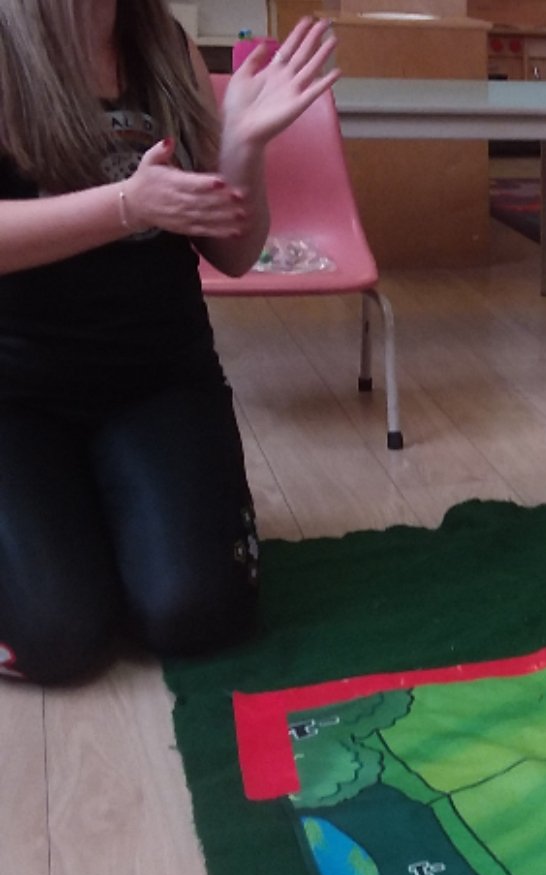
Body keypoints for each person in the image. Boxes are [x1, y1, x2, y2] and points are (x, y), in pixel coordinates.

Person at [0, 8, 339, 685]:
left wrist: (242, 143)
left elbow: (234, 253)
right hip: (16, 393)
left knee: (198, 612)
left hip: (159, 380)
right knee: (58, 636)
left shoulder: (163, 40)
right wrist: (127, 205)